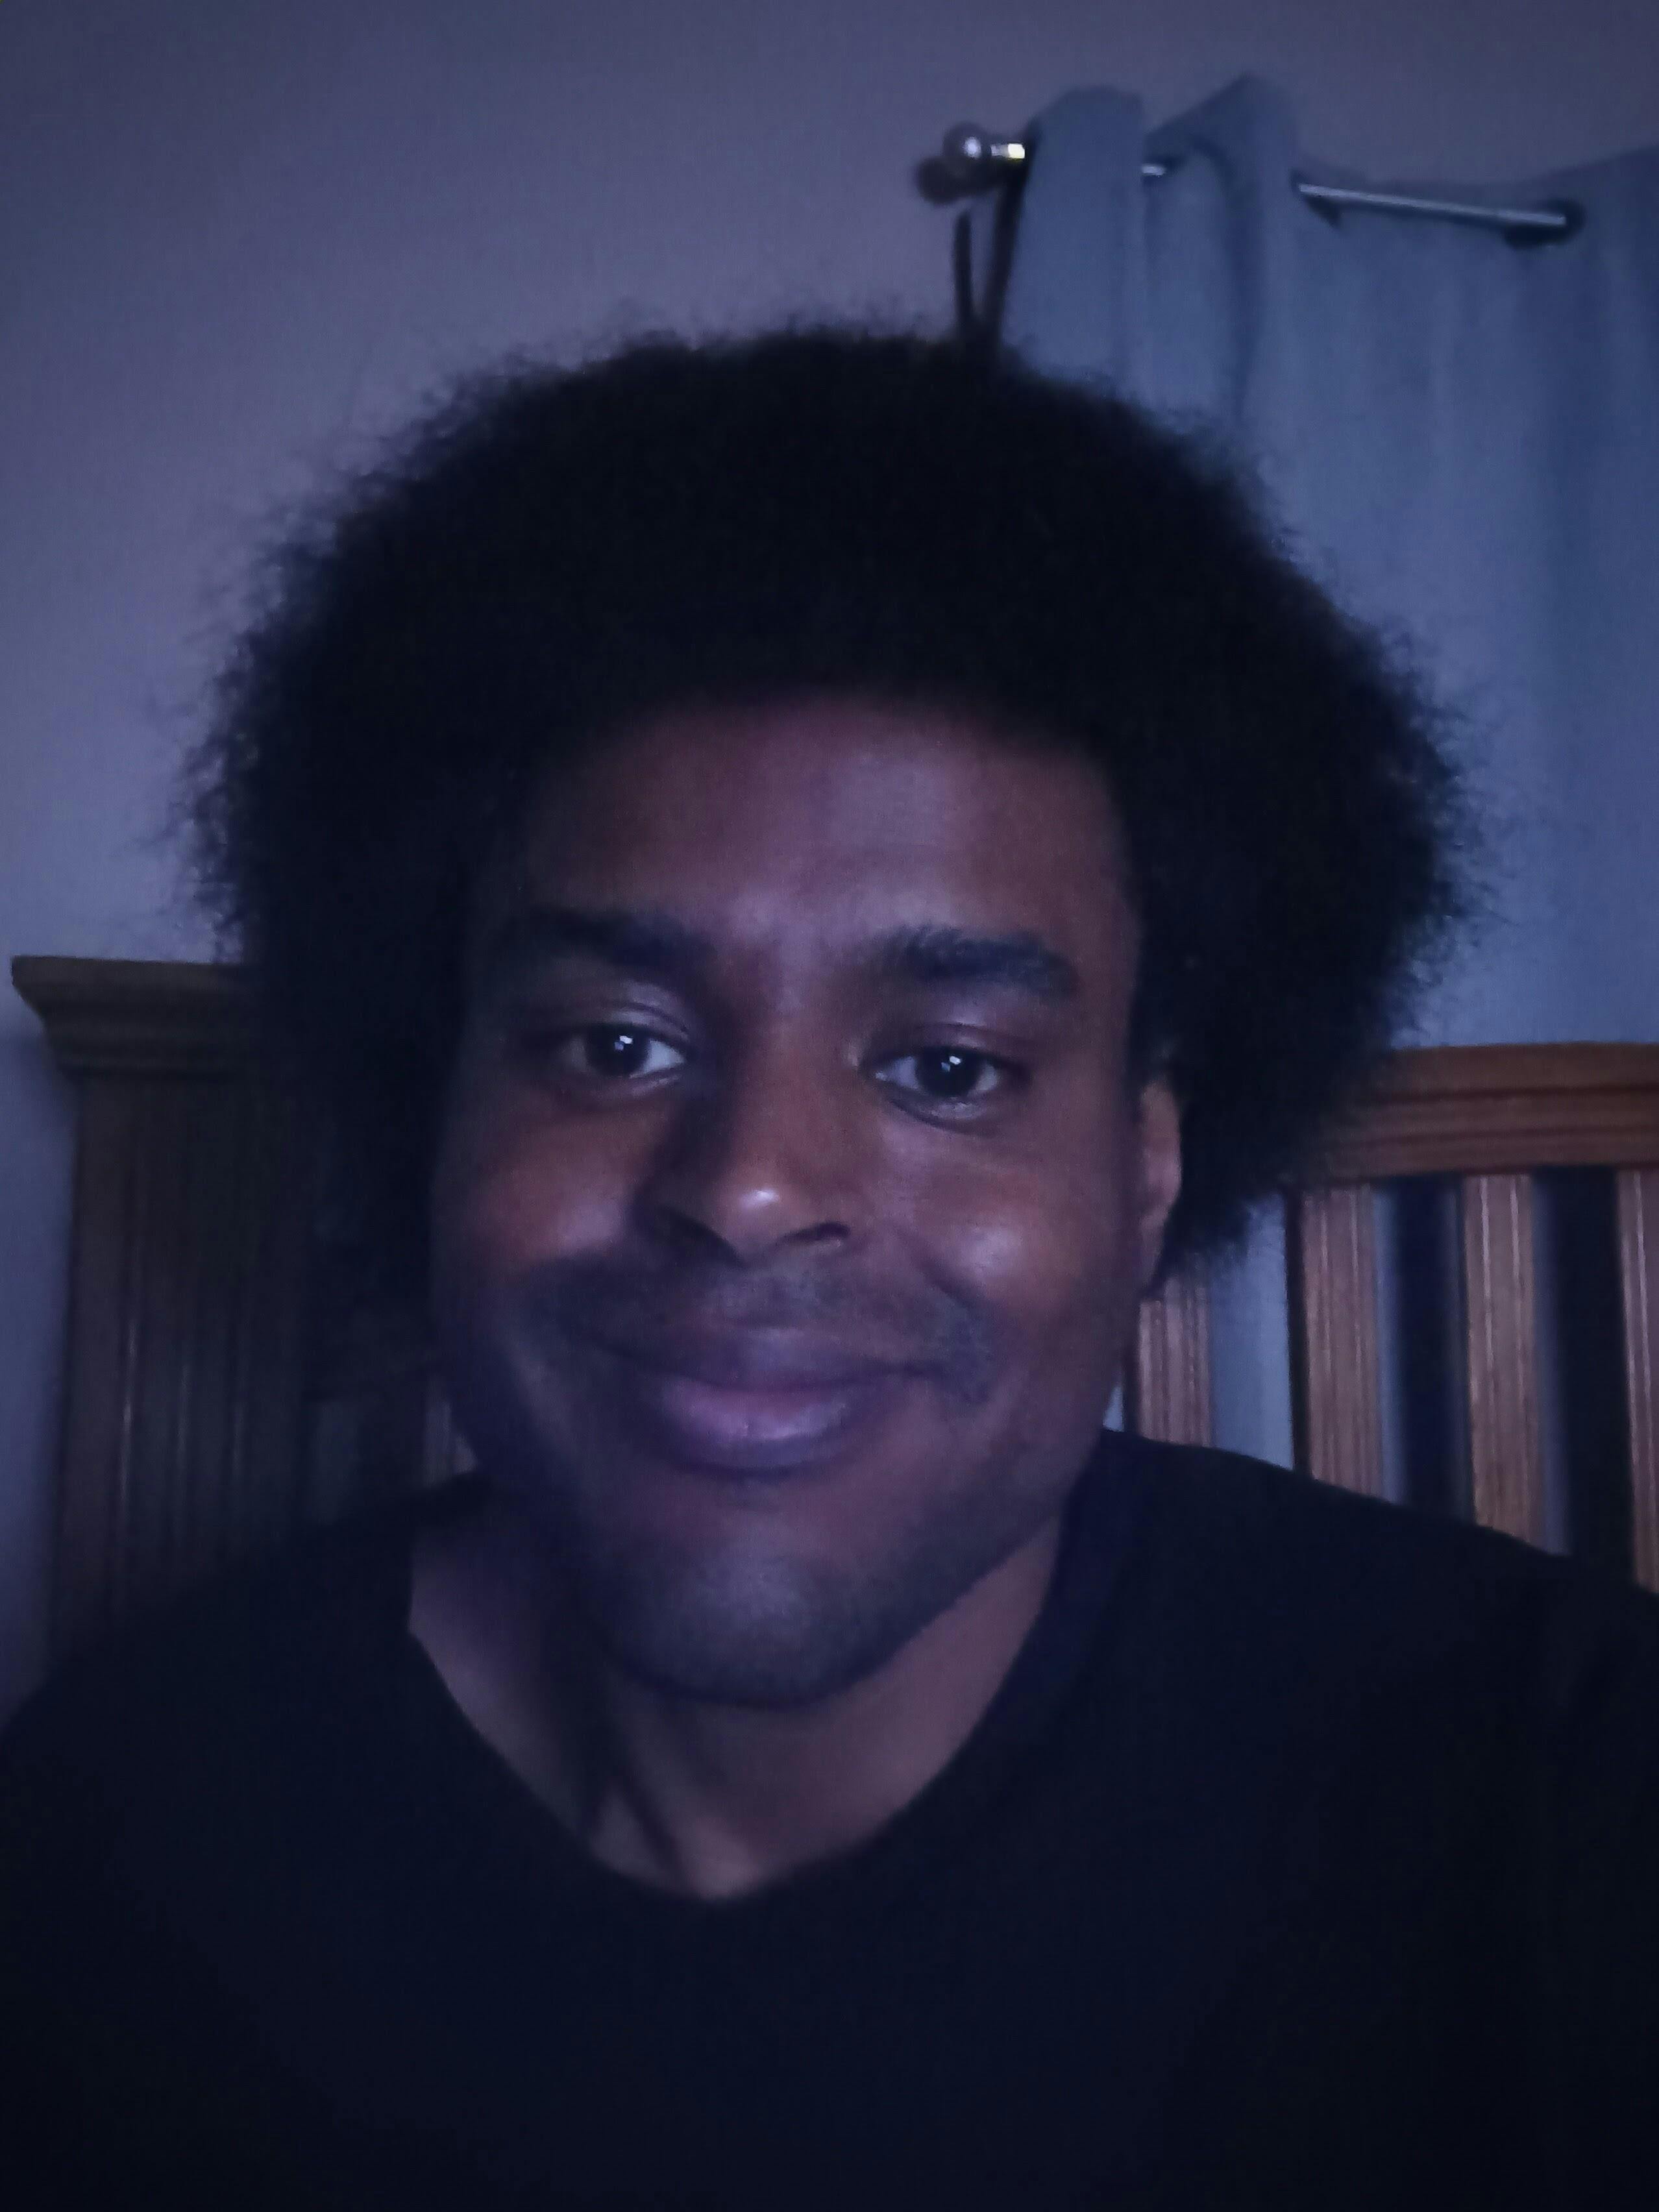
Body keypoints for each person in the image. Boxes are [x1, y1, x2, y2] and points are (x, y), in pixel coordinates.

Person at [1, 329, 1654, 2211]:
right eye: (615, 1043)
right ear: (429, 1106)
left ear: (1146, 1168)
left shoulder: (1565, 1812)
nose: (752, 1190)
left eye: (947, 1068)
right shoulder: (124, 1840)